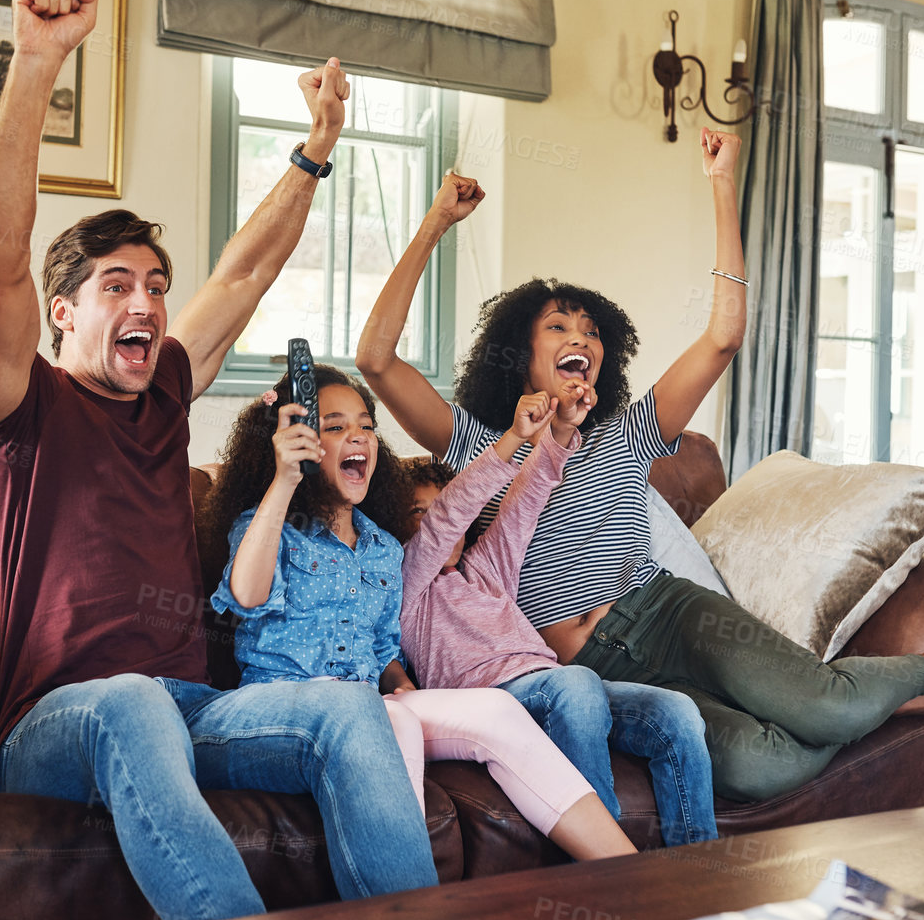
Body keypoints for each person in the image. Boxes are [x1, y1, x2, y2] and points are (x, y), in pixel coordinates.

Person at [0, 0, 436, 920]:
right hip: (60, 723)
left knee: (349, 709)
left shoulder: (166, 387)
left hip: (189, 709)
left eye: (155, 286)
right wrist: (39, 65)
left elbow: (246, 270)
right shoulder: (20, 406)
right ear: (62, 313)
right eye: (114, 286)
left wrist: (317, 147)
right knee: (130, 698)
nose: (145, 303)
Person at [356, 132, 924, 803]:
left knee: (826, 708)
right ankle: (863, 705)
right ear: (519, 354)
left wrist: (721, 181)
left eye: (590, 331)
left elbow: (721, 337)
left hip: (668, 612)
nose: (580, 339)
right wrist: (434, 223)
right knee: (759, 769)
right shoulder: (481, 448)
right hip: (596, 673)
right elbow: (376, 360)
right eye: (559, 327)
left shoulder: (627, 433)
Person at [204, 368, 636, 861]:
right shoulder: (266, 526)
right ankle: (400, 896)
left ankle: (623, 875)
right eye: (334, 426)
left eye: (366, 426)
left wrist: (400, 681)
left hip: (368, 699)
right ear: (298, 442)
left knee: (495, 709)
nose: (357, 437)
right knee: (394, 723)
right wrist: (283, 481)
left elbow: (382, 648)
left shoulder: (384, 550)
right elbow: (248, 595)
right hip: (288, 705)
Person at [400, 376, 718, 847]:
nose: (441, 522)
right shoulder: (408, 583)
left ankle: (694, 871)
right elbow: (448, 518)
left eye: (442, 510)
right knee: (577, 682)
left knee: (676, 713)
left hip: (554, 687)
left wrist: (559, 433)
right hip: (495, 698)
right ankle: (605, 862)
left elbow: (524, 503)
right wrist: (511, 439)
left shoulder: (484, 568)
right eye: (417, 512)